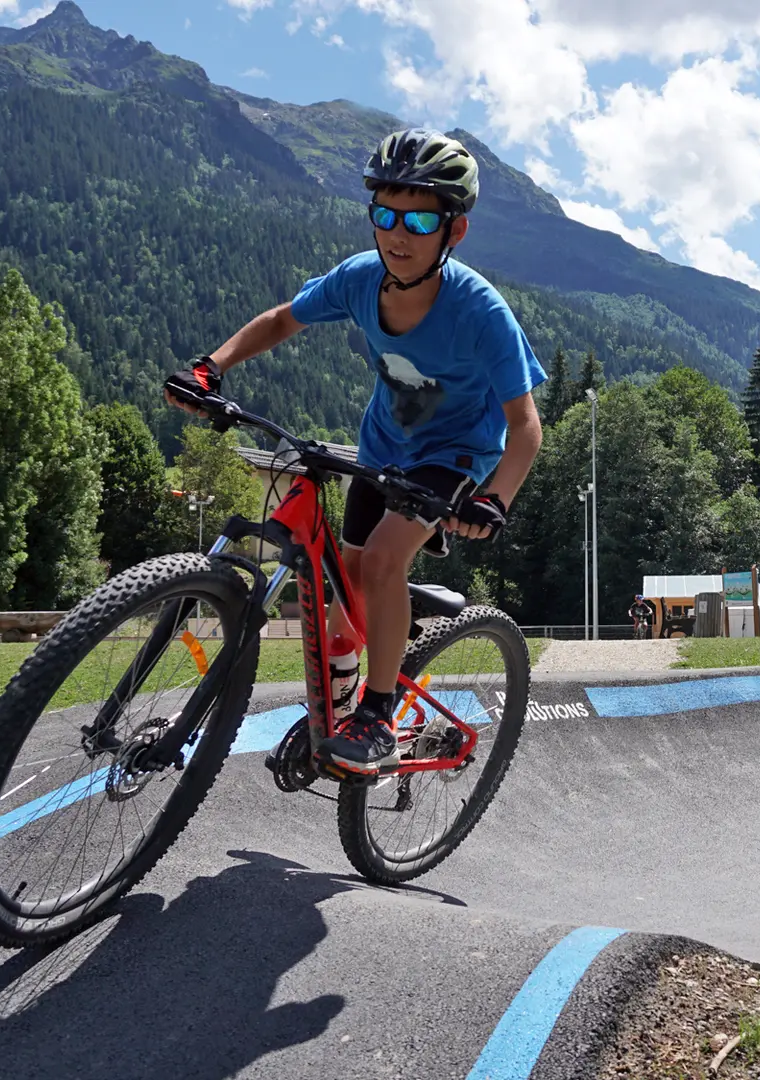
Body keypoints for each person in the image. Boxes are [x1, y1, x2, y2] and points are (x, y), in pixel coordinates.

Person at [166, 128, 544, 776]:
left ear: (453, 231)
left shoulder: (481, 312)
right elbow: (285, 318)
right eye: (385, 214)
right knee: (347, 584)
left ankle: (376, 716)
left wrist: (493, 500)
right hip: (381, 448)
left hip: (453, 458)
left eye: (420, 218)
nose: (398, 233)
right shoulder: (362, 279)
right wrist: (212, 368)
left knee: (380, 563)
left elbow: (525, 426)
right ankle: (336, 720)